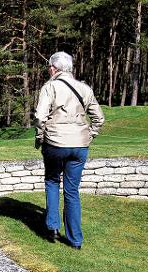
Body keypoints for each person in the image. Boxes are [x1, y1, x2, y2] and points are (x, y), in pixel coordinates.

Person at [34, 51, 104, 250]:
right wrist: (90, 135)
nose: (49, 69)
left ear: (54, 68)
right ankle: (75, 240)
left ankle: (53, 226)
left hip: (55, 143)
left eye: (49, 66)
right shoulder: (84, 88)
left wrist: (40, 138)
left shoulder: (50, 87)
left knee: (52, 180)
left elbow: (40, 117)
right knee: (72, 191)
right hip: (80, 145)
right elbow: (99, 118)